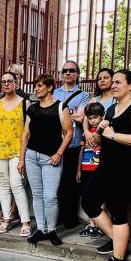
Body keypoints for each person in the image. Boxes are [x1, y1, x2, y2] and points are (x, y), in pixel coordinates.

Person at [83, 70, 131, 261]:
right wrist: (99, 131)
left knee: (119, 212)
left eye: (118, 82)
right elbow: (102, 139)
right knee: (88, 202)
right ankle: (119, 239)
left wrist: (113, 134)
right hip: (106, 166)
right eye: (112, 82)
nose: (113, 85)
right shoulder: (112, 109)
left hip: (124, 168)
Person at [19, 74, 73, 246]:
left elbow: (69, 133)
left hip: (51, 158)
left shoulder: (61, 107)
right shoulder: (32, 109)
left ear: (49, 87)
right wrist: (21, 159)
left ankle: (51, 230)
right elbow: (25, 134)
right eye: (35, 85)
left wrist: (59, 154)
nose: (36, 89)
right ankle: (41, 229)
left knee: (50, 196)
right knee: (37, 194)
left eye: (40, 85)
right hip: (31, 156)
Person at [0, 71, 32, 236]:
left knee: (17, 184)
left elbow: (28, 131)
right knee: (3, 185)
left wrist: (23, 156)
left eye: (9, 81)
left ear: (15, 83)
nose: (6, 84)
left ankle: (25, 221)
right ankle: (6, 218)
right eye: (3, 81)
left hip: (17, 149)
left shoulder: (25, 103)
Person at [53, 60, 90, 229]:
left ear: (77, 74)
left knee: (71, 182)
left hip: (74, 144)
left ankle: (70, 218)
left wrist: (61, 114)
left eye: (72, 70)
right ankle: (59, 216)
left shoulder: (83, 95)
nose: (68, 73)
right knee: (56, 182)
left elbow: (81, 117)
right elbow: (50, 113)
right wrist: (71, 113)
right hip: (56, 144)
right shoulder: (54, 92)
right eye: (65, 70)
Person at [77, 102, 106, 239]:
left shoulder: (105, 132)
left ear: (102, 116)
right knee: (87, 196)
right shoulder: (86, 133)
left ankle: (101, 227)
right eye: (90, 118)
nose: (93, 121)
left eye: (95, 117)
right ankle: (92, 225)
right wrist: (78, 170)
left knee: (101, 199)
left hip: (99, 169)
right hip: (86, 168)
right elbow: (82, 151)